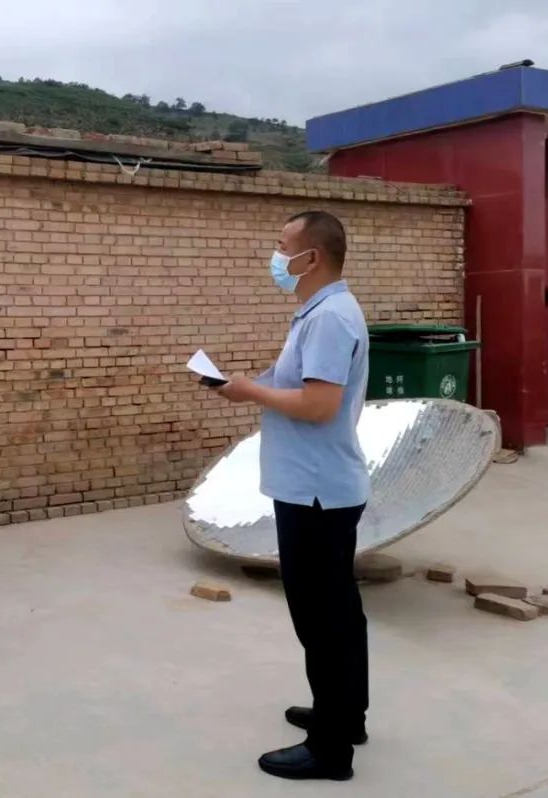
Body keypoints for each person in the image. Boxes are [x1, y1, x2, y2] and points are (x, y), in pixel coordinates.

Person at [214, 210, 370, 781]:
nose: (276, 256)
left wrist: (250, 392)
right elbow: (303, 386)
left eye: (283, 246)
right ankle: (344, 716)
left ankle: (330, 750)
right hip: (318, 486)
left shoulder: (329, 318)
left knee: (322, 620)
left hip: (316, 493)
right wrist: (249, 383)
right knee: (339, 612)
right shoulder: (320, 312)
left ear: (313, 257)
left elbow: (319, 405)